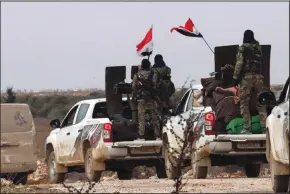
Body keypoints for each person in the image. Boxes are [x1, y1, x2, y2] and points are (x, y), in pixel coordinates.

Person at [233, 29, 267, 134]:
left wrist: (235, 78)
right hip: (259, 78)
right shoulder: (258, 48)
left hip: (246, 79)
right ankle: (265, 128)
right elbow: (262, 62)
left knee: (244, 103)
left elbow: (239, 63)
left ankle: (247, 128)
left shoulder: (243, 48)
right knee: (261, 103)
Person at [132, 59, 160, 140]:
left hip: (142, 100)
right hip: (152, 99)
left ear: (142, 66)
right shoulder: (153, 74)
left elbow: (133, 87)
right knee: (155, 119)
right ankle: (157, 136)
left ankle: (141, 136)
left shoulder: (137, 75)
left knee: (141, 118)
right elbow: (156, 84)